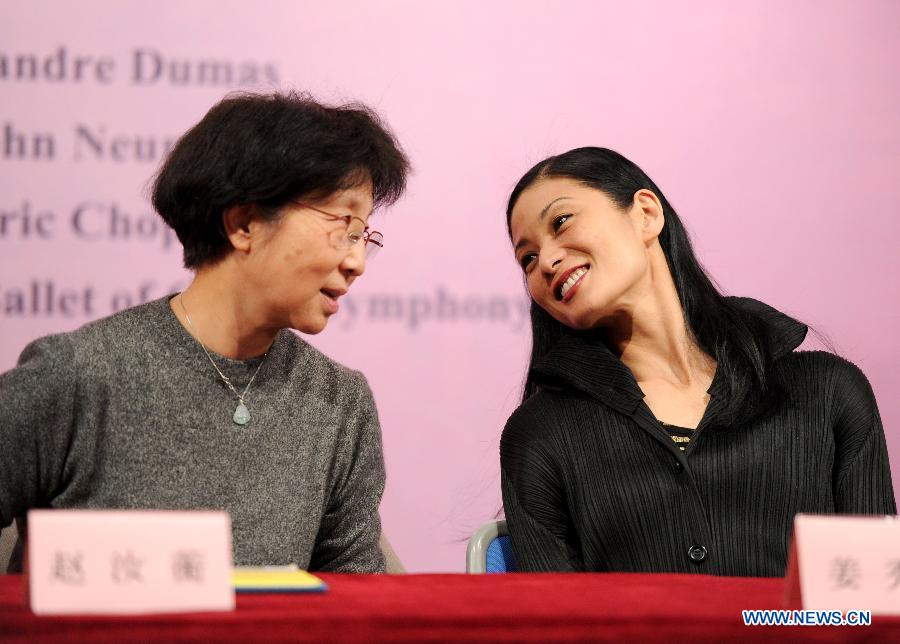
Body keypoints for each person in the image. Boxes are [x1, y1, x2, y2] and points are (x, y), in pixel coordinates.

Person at [0, 91, 410, 573]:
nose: (357, 262)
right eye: (344, 226)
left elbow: (357, 599)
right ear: (244, 224)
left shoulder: (338, 403)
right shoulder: (79, 375)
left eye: (365, 236)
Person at [501, 147, 895, 575]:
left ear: (646, 214)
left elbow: (872, 604)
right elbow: (557, 624)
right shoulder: (539, 436)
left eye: (561, 223)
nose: (548, 261)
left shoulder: (827, 391)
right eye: (529, 258)